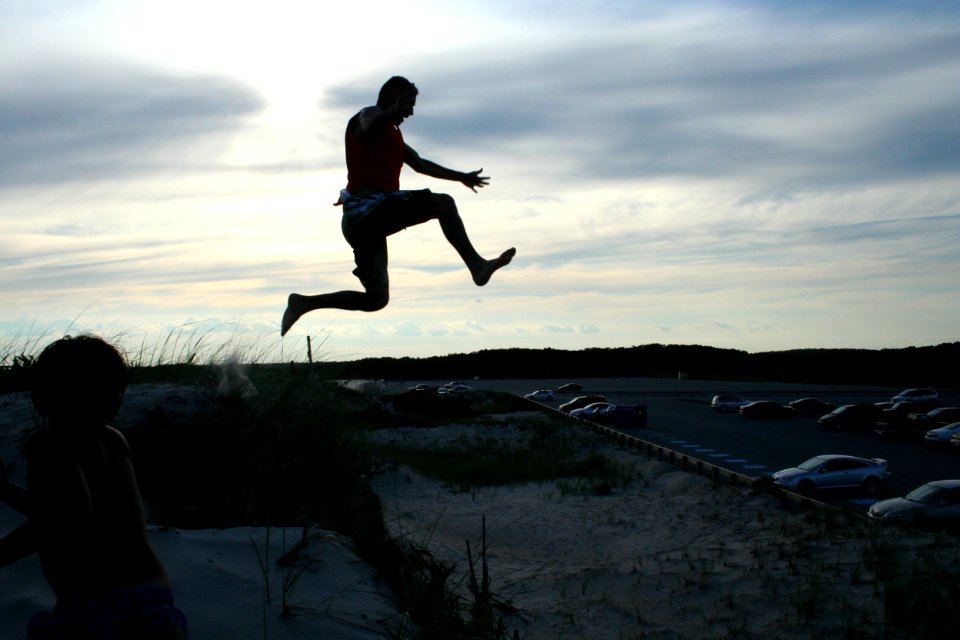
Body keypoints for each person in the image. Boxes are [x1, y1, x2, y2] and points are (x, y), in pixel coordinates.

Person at [281, 75, 516, 336]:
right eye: (408, 104)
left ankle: (304, 303)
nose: (410, 112)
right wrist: (391, 110)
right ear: (393, 98)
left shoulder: (394, 136)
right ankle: (477, 266)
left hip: (366, 224)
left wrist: (461, 176)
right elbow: (368, 123)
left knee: (376, 300)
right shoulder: (368, 115)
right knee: (442, 203)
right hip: (366, 211)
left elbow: (421, 164)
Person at [0, 335, 188, 639]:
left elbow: (63, 518)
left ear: (41, 397)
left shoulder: (49, 443)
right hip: (155, 597)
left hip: (96, 606)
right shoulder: (114, 439)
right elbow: (80, 511)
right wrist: (7, 491)